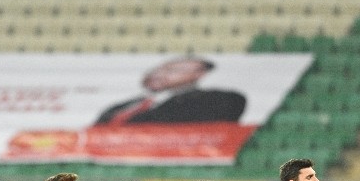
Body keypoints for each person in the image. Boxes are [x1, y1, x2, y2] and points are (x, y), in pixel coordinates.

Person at [94, 57, 246, 126]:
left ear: (199, 74)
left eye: (172, 71)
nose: (159, 74)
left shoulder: (213, 100)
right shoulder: (127, 104)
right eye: (158, 69)